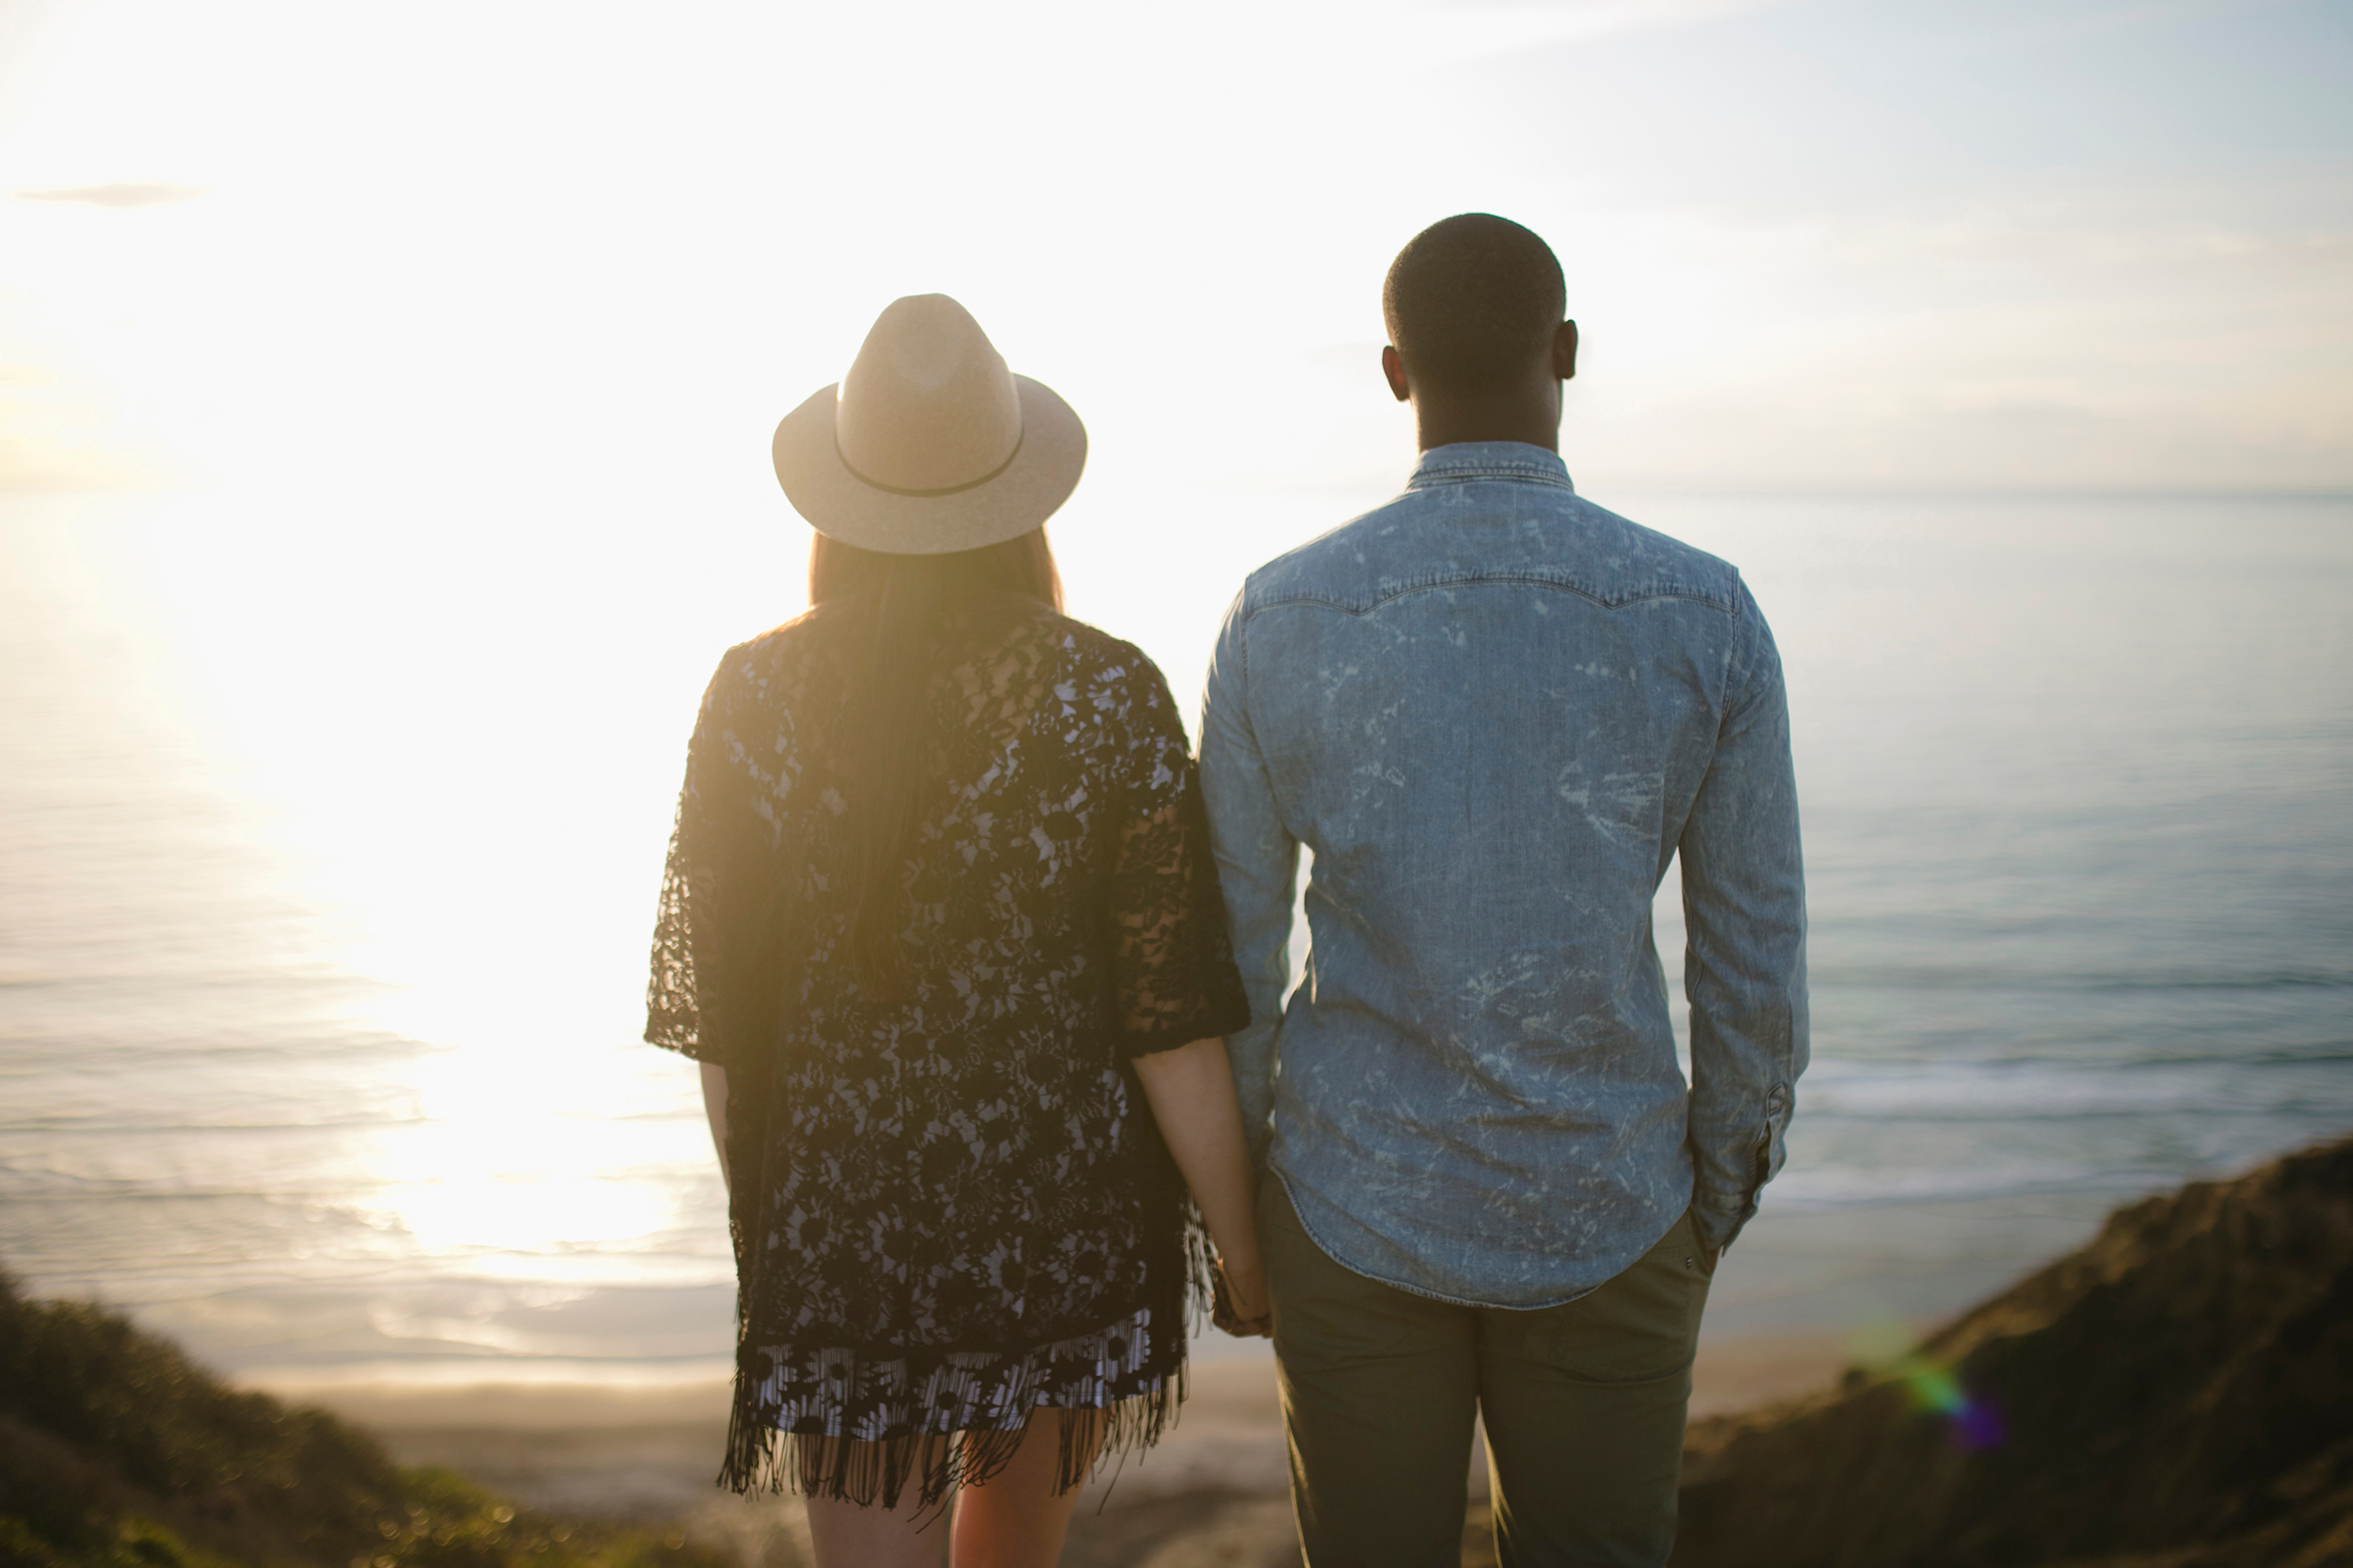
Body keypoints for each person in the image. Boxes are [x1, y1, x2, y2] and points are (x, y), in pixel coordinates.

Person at [1197, 214, 1808, 1567]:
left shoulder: (1278, 614)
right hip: (1614, 1201)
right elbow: (1754, 967)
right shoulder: (1704, 612)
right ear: (1568, 352)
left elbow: (1229, 964)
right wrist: (1712, 1197)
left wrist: (1241, 1229)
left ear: (1394, 370)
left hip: (1350, 1213)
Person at [646, 294, 1269, 1568]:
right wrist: (1243, 1247)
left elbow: (729, 1024)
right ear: (1019, 497)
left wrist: (768, 1222)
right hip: (1059, 1231)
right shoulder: (1107, 693)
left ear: (839, 500)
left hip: (844, 1232)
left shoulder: (752, 695)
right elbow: (1169, 1019)